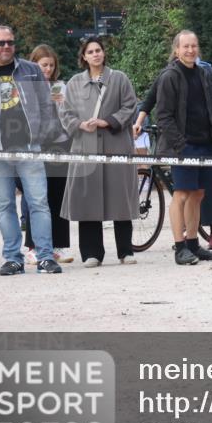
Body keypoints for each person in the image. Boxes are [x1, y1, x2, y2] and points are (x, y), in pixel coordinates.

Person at [0, 25, 61, 275]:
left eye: (10, 42)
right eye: (1, 43)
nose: (6, 46)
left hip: (29, 148)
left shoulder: (31, 71)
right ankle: (12, 258)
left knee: (39, 203)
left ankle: (45, 257)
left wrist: (42, 136)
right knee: (4, 205)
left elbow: (47, 105)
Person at [58, 37, 139, 267]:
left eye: (98, 50)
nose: (95, 54)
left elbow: (130, 106)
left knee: (120, 197)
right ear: (83, 56)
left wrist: (108, 121)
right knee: (88, 199)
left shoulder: (120, 79)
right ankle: (92, 252)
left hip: (116, 145)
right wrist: (80, 125)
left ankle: (126, 250)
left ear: (104, 53)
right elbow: (65, 113)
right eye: (90, 51)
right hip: (86, 146)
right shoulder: (74, 83)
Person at [155, 30, 212, 266]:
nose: (190, 50)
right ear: (177, 50)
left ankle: (194, 244)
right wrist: (180, 144)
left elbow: (211, 109)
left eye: (194, 46)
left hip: (205, 144)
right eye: (185, 46)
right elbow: (163, 116)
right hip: (183, 146)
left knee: (199, 194)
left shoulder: (204, 73)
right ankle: (180, 247)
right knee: (182, 194)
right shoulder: (169, 76)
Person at [23, 45, 73, 264]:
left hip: (60, 144)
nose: (48, 69)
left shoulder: (58, 86)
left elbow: (66, 116)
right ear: (35, 64)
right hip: (35, 145)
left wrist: (62, 105)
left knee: (58, 195)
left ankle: (58, 245)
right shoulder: (25, 87)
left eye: (51, 65)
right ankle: (33, 245)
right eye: (44, 65)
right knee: (36, 196)